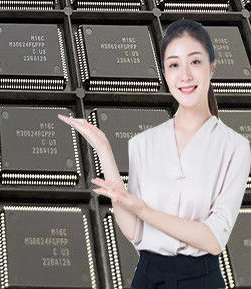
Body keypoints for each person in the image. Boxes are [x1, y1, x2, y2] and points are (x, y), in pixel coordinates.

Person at [59, 18, 251, 289]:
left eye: (195, 62)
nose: (185, 75)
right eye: (174, 65)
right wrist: (104, 150)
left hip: (201, 279)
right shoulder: (143, 143)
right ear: (165, 74)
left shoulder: (235, 148)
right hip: (147, 277)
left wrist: (144, 209)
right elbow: (135, 232)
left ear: (212, 68)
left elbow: (214, 239)